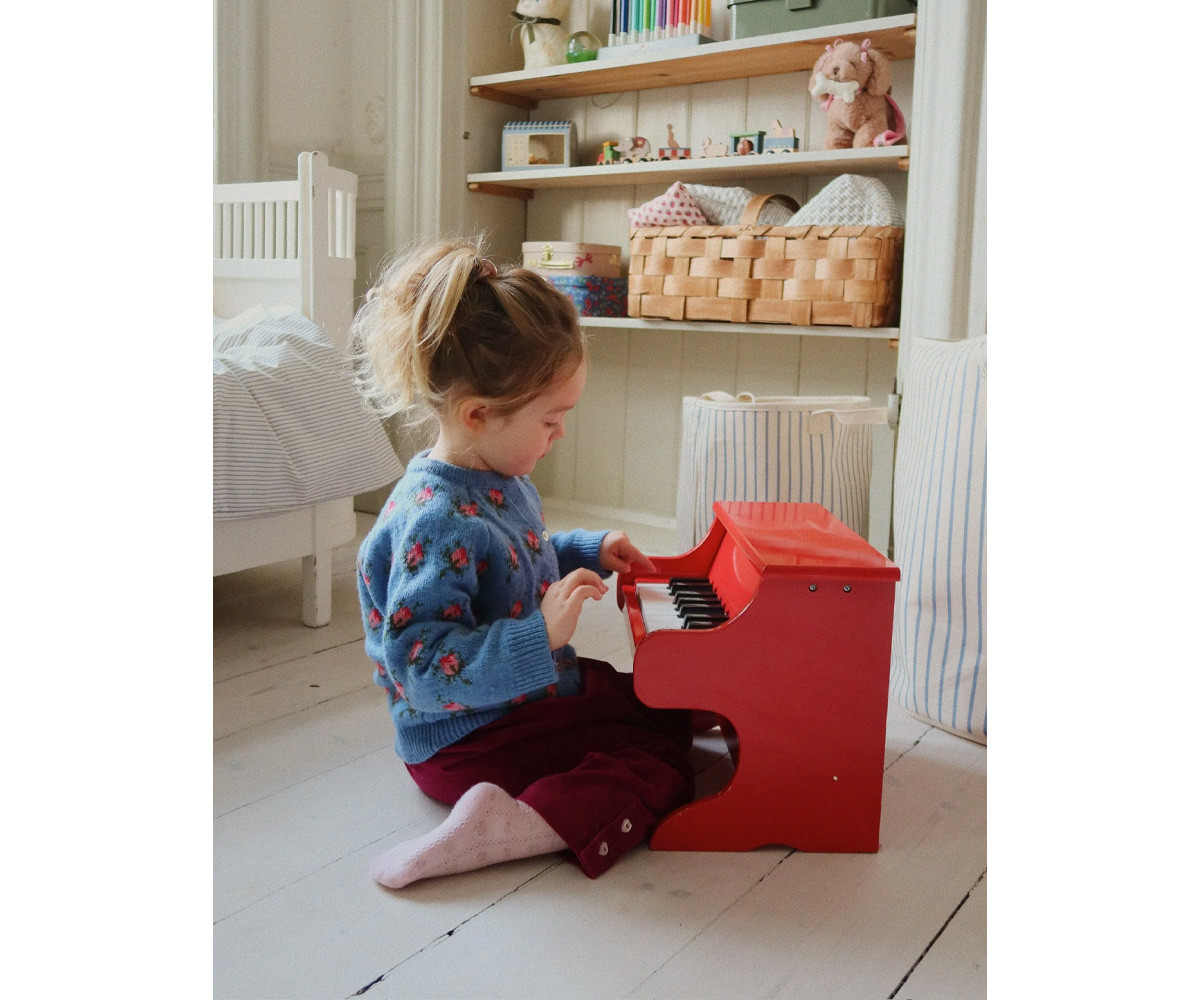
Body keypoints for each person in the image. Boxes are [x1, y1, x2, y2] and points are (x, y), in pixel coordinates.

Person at [351, 238, 695, 889]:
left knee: (662, 707)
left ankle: (527, 800)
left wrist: (585, 549)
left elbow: (510, 566)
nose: (560, 434)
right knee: (661, 761)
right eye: (551, 420)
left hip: (513, 705)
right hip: (464, 742)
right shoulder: (435, 518)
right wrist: (540, 636)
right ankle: (514, 824)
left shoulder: (497, 477)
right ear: (479, 415)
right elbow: (421, 668)